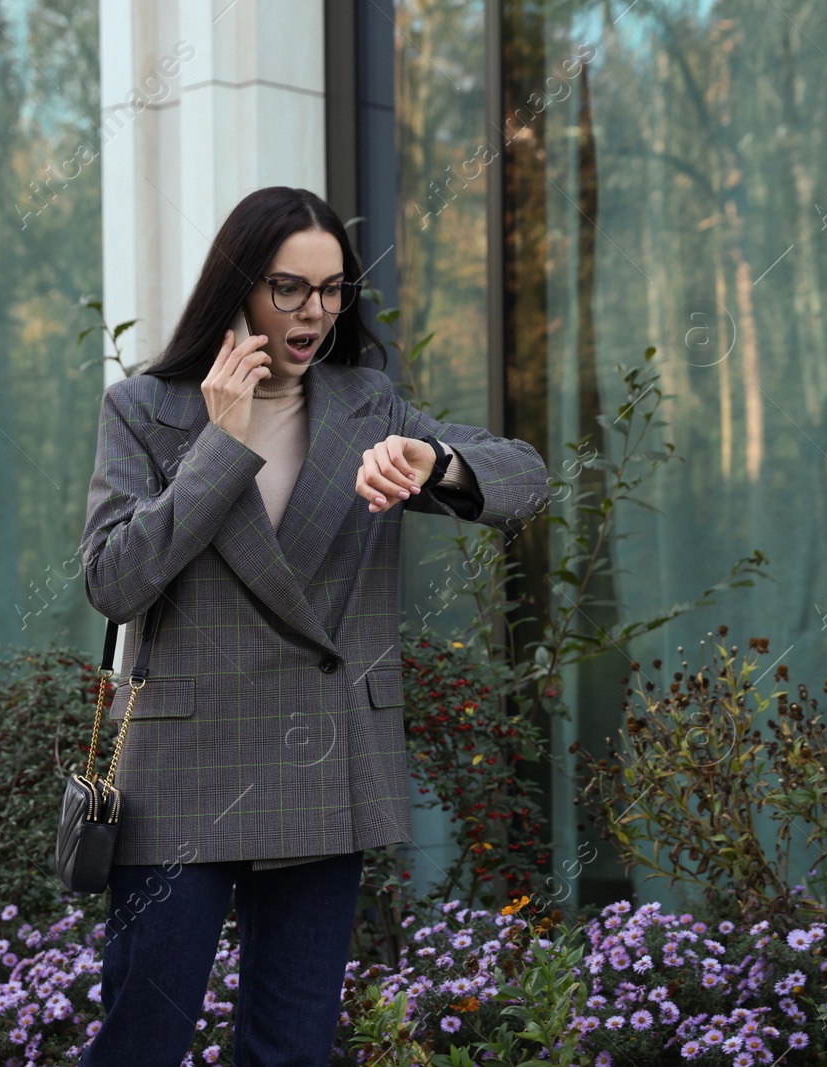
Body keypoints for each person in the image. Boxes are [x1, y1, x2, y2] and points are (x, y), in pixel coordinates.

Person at [76, 186, 549, 1067]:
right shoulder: (146, 410)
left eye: (333, 290)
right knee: (142, 1040)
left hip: (319, 758)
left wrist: (436, 462)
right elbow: (113, 581)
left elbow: (526, 479)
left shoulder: (367, 405)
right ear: (240, 286)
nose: (315, 313)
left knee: (289, 1049)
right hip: (183, 771)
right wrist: (221, 445)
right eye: (290, 288)